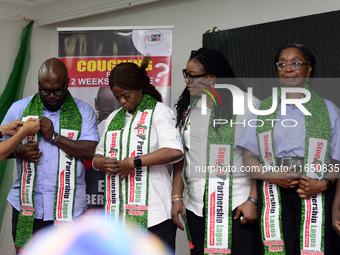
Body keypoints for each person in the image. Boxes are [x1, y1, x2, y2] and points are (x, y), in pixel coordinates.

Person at [237, 43, 340, 254]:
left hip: (315, 190)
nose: (288, 68)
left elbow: (338, 161)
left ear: (308, 69)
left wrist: (324, 183)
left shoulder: (329, 109)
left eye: (295, 63)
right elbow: (249, 157)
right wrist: (273, 176)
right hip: (273, 192)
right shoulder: (262, 109)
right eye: (282, 64)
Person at [0, 57, 99, 252]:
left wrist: (54, 136)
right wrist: (18, 151)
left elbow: (91, 151)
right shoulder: (19, 109)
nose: (52, 96)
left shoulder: (83, 111)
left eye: (57, 90)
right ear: (38, 85)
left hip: (69, 208)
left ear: (67, 84)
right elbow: (3, 149)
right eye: (45, 91)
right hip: (27, 206)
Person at [171, 48, 260, 255]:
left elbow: (260, 155)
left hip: (237, 205)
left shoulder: (248, 104)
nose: (187, 80)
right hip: (196, 207)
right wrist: (177, 197)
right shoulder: (188, 109)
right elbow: (183, 157)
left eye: (192, 75)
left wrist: (252, 200)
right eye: (186, 74)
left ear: (211, 78)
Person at [92, 58, 183, 253]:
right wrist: (100, 163)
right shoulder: (113, 119)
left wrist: (134, 163)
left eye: (126, 96)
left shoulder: (160, 113)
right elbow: (97, 155)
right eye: (118, 98)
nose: (122, 102)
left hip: (155, 214)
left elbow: (175, 150)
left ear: (140, 87)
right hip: (120, 216)